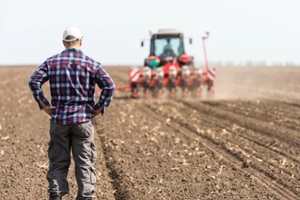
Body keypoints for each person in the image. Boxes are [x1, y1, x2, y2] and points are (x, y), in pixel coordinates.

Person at [28, 26, 115, 200]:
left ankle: (56, 194)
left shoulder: (51, 62)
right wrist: (99, 107)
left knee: (58, 162)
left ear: (63, 43)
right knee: (84, 162)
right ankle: (86, 196)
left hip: (59, 120)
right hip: (83, 120)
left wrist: (45, 105)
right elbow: (109, 85)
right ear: (81, 41)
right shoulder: (92, 64)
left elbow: (34, 81)